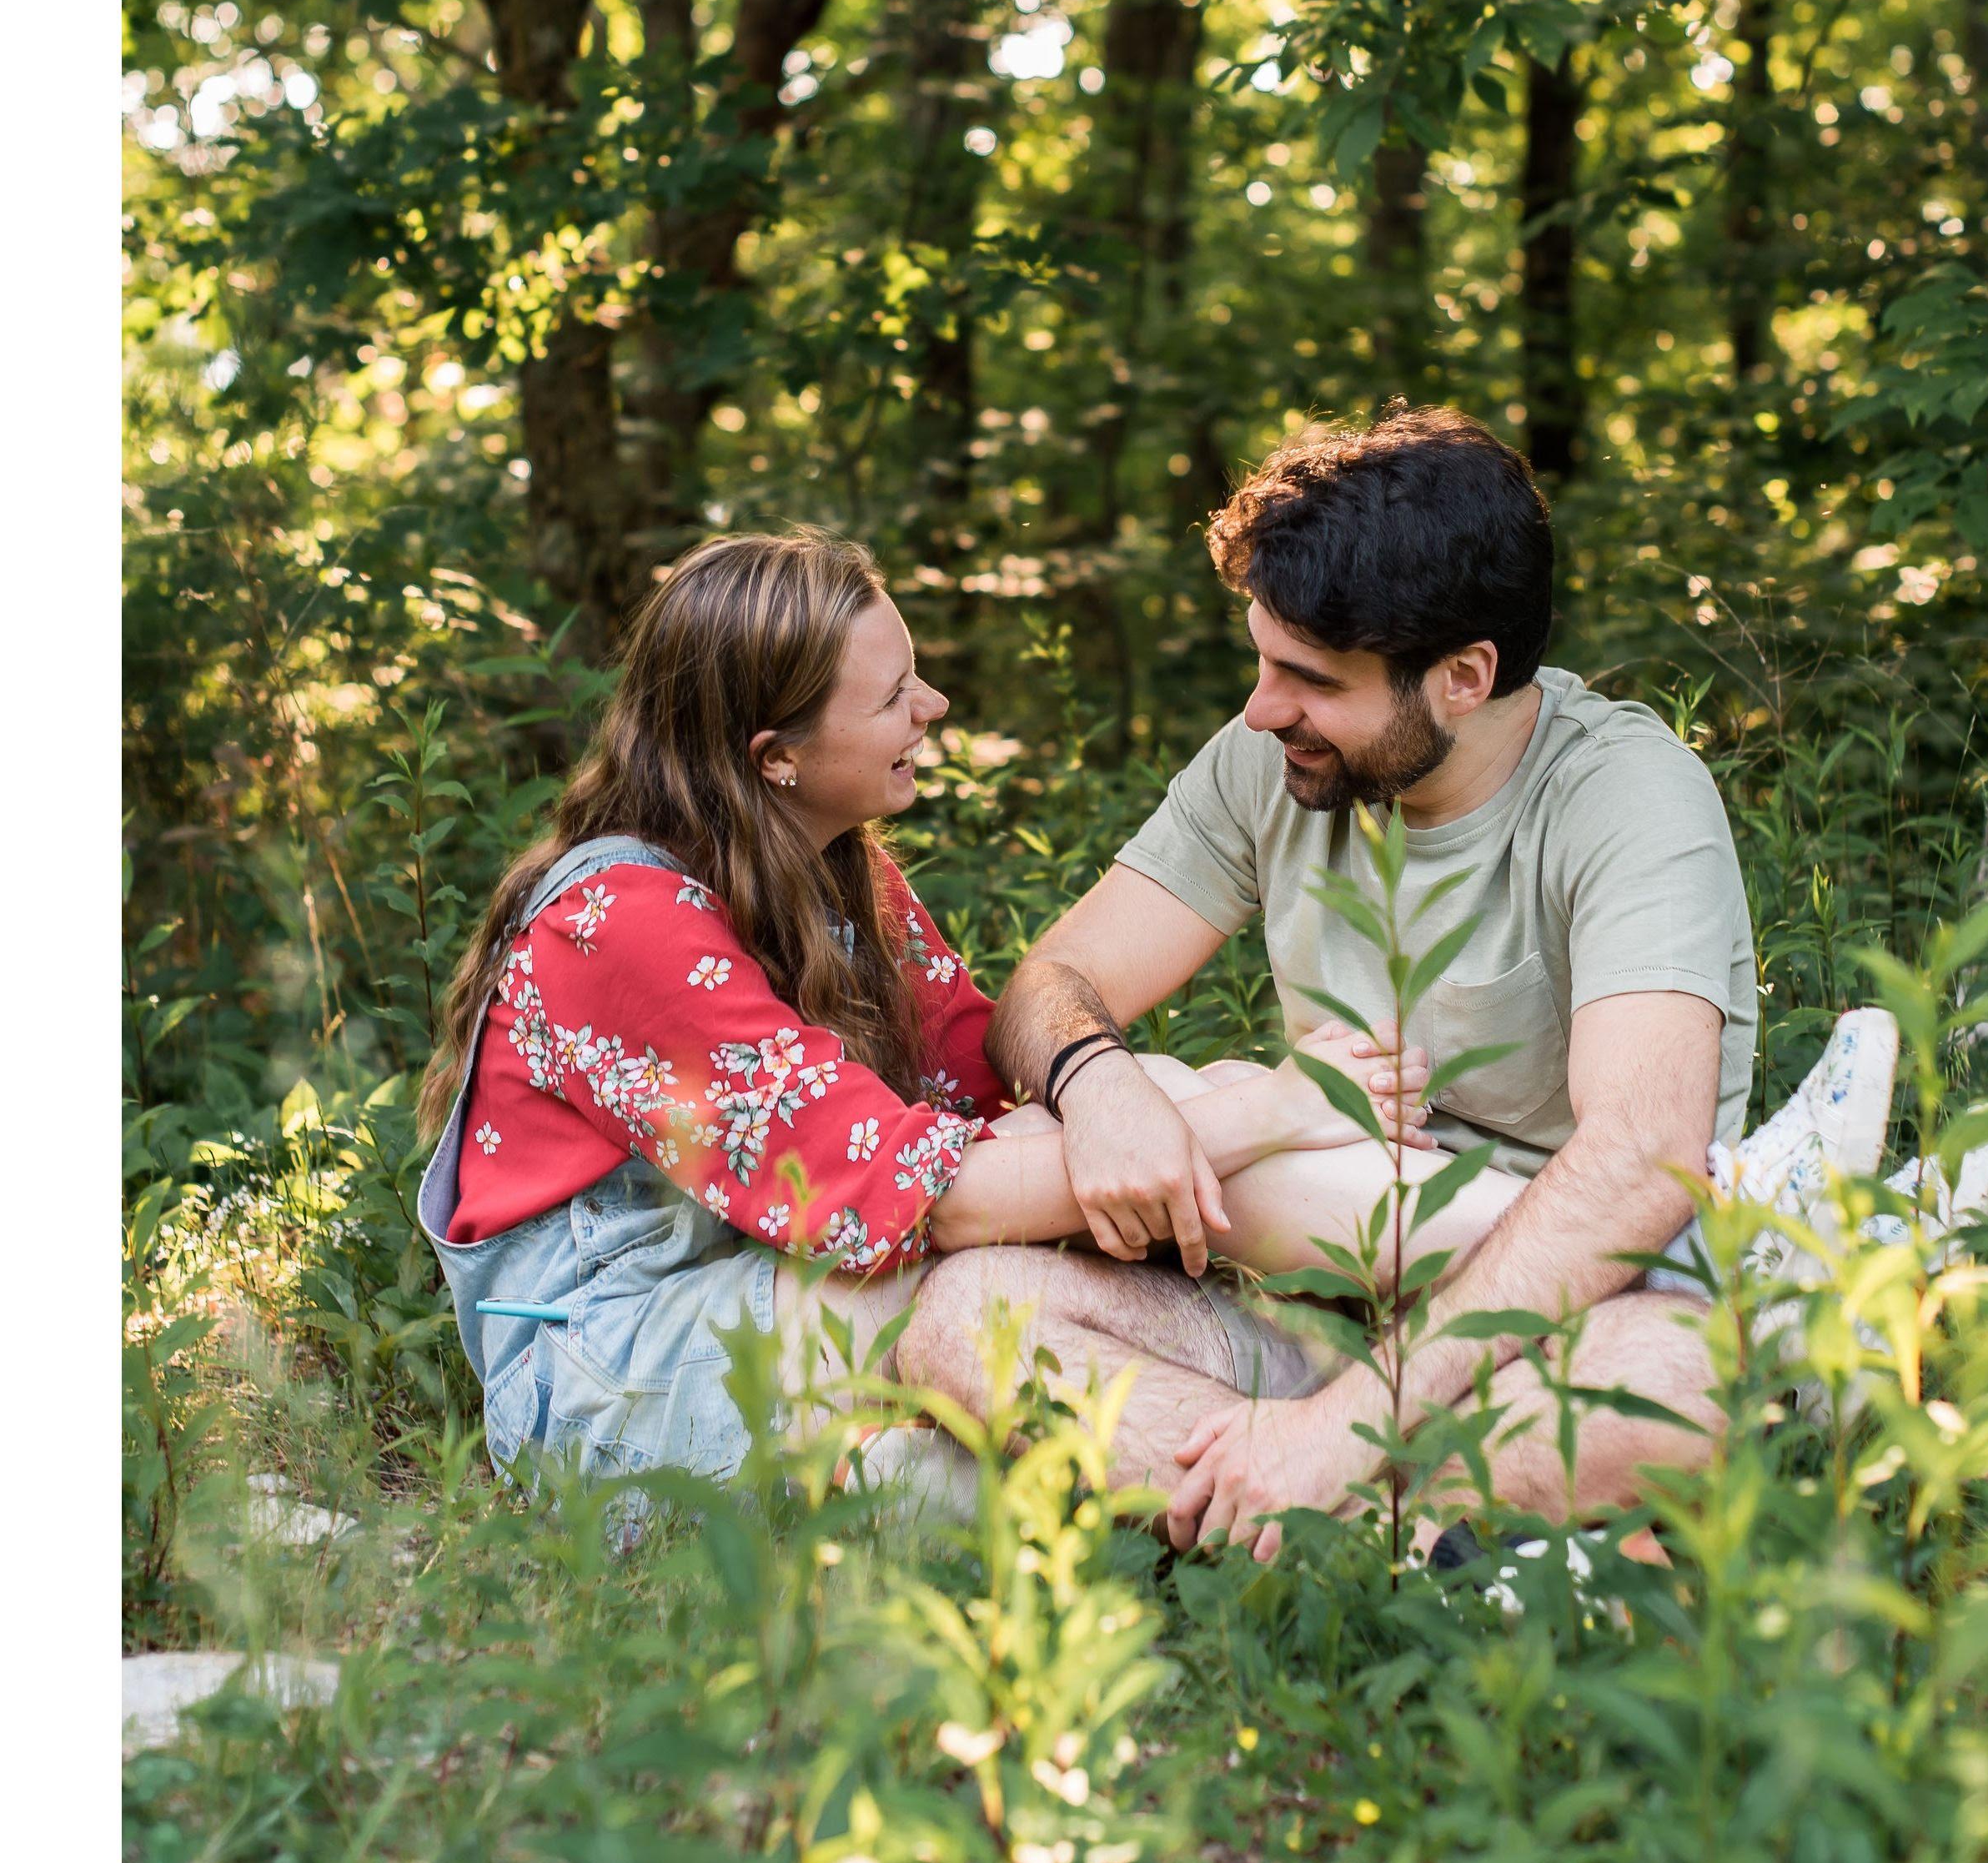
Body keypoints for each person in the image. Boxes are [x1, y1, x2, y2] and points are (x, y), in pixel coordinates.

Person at [890, 405, 1785, 1561]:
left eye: (1309, 679)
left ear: (1464, 677)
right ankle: (1432, 1541)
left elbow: (1636, 1162)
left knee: (1678, 1379)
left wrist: (1345, 1429)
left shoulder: (1628, 797)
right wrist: (1099, 1085)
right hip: (1322, 1305)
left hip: (1558, 1321)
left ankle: (1266, 1510)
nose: (1263, 708)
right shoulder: (1275, 755)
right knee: (970, 1318)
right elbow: (1049, 982)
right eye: (1262, 660)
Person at [412, 528, 1457, 1509]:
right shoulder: (618, 926)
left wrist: (1166, 1101)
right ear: (776, 753)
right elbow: (924, 1202)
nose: (936, 704)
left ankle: (1479, 1308)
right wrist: (1276, 1110)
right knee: (987, 1352)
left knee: (1150, 1111)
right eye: (893, 697)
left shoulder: (830, 878)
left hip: (779, 1298)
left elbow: (996, 1090)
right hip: (619, 1371)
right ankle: (1371, 1432)